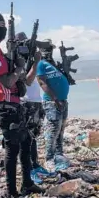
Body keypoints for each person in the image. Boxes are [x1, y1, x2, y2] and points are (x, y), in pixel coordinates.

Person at [0, 12, 42, 198]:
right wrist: (19, 68)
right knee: (12, 150)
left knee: (25, 143)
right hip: (6, 106)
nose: (4, 29)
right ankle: (12, 191)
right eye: (0, 25)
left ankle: (27, 184)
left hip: (14, 104)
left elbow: (22, 81)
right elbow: (7, 82)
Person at [37, 40, 70, 172]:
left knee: (61, 130)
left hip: (62, 101)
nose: (49, 51)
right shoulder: (40, 64)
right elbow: (42, 82)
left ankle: (59, 154)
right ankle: (49, 158)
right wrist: (55, 99)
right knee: (53, 131)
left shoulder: (53, 64)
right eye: (47, 49)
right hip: (52, 102)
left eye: (51, 49)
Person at [16, 32, 45, 170]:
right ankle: (29, 168)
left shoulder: (29, 59)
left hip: (35, 102)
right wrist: (36, 62)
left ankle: (35, 164)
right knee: (26, 139)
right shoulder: (17, 60)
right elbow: (28, 80)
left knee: (33, 137)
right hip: (26, 103)